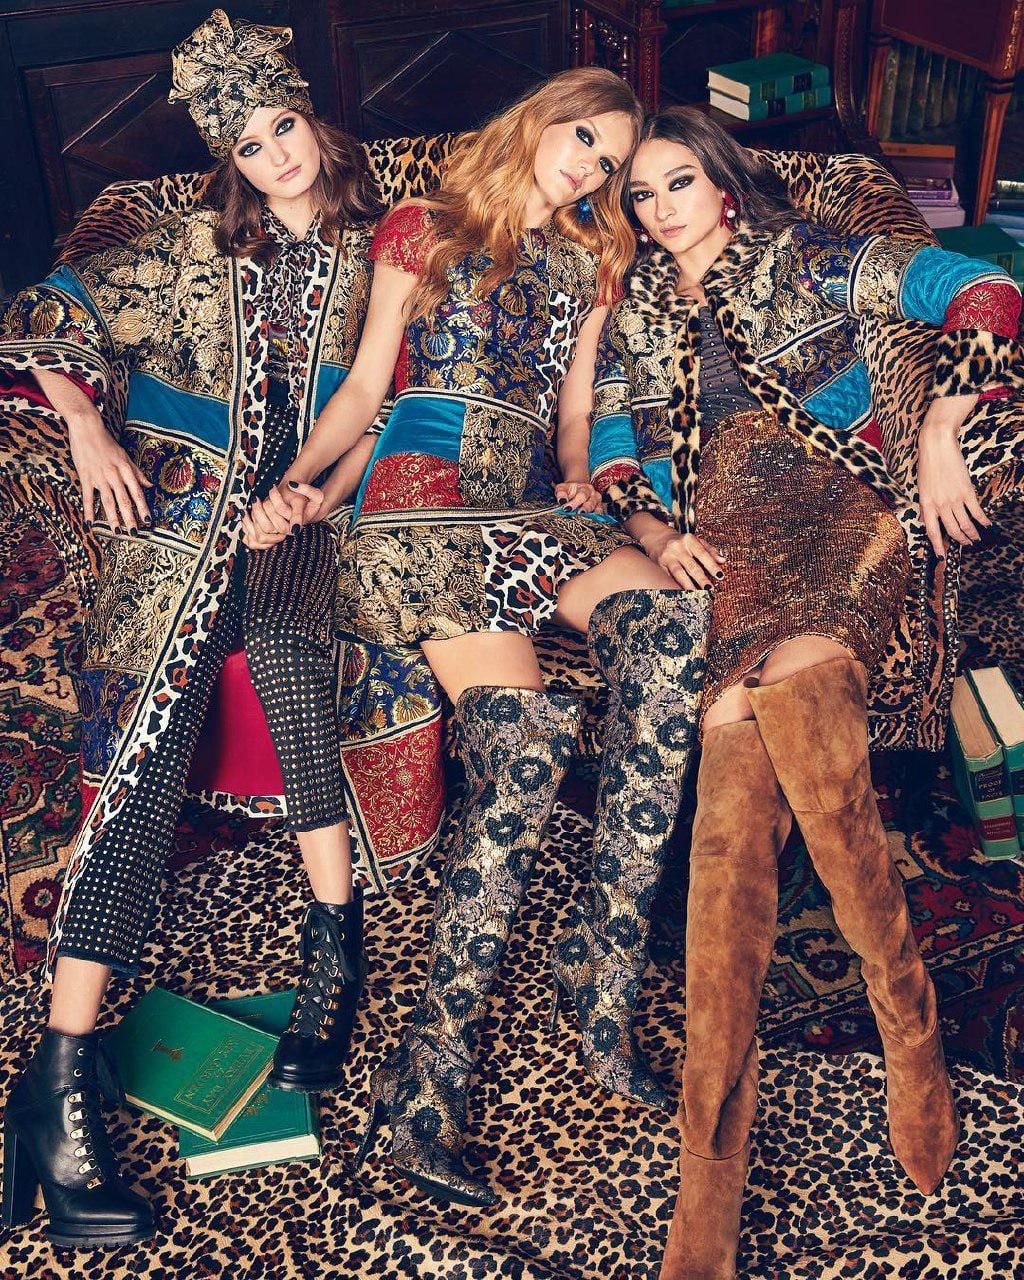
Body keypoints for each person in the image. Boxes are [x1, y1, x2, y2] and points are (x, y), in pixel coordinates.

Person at [243, 68, 711, 1209]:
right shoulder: (425, 226)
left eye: (610, 163)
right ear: (542, 115)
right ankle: (425, 1081)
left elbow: (571, 413)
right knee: (529, 746)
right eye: (584, 139)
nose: (591, 169)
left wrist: (593, 490)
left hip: (531, 500)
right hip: (424, 501)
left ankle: (600, 965)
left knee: (671, 631)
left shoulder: (595, 261)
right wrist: (295, 486)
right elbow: (366, 386)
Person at [589, 106, 1022, 1279]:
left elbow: (984, 291)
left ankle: (887, 1036)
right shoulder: (637, 310)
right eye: (642, 194)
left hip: (840, 522)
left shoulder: (816, 259)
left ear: (723, 183)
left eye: (679, 183)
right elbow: (618, 449)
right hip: (721, 551)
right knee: (733, 802)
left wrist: (941, 424)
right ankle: (724, 1155)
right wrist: (653, 530)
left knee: (793, 707)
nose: (660, 209)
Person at [0, 10, 384, 1248]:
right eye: (249, 145)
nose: (275, 157)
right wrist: (85, 425)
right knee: (143, 755)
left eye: (283, 127)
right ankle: (58, 1078)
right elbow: (44, 311)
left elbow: (401, 398)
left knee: (290, 660)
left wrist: (314, 496)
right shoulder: (183, 248)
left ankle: (333, 942)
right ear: (229, 160)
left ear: (312, 120)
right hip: (177, 518)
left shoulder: (384, 252)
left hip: (309, 514)